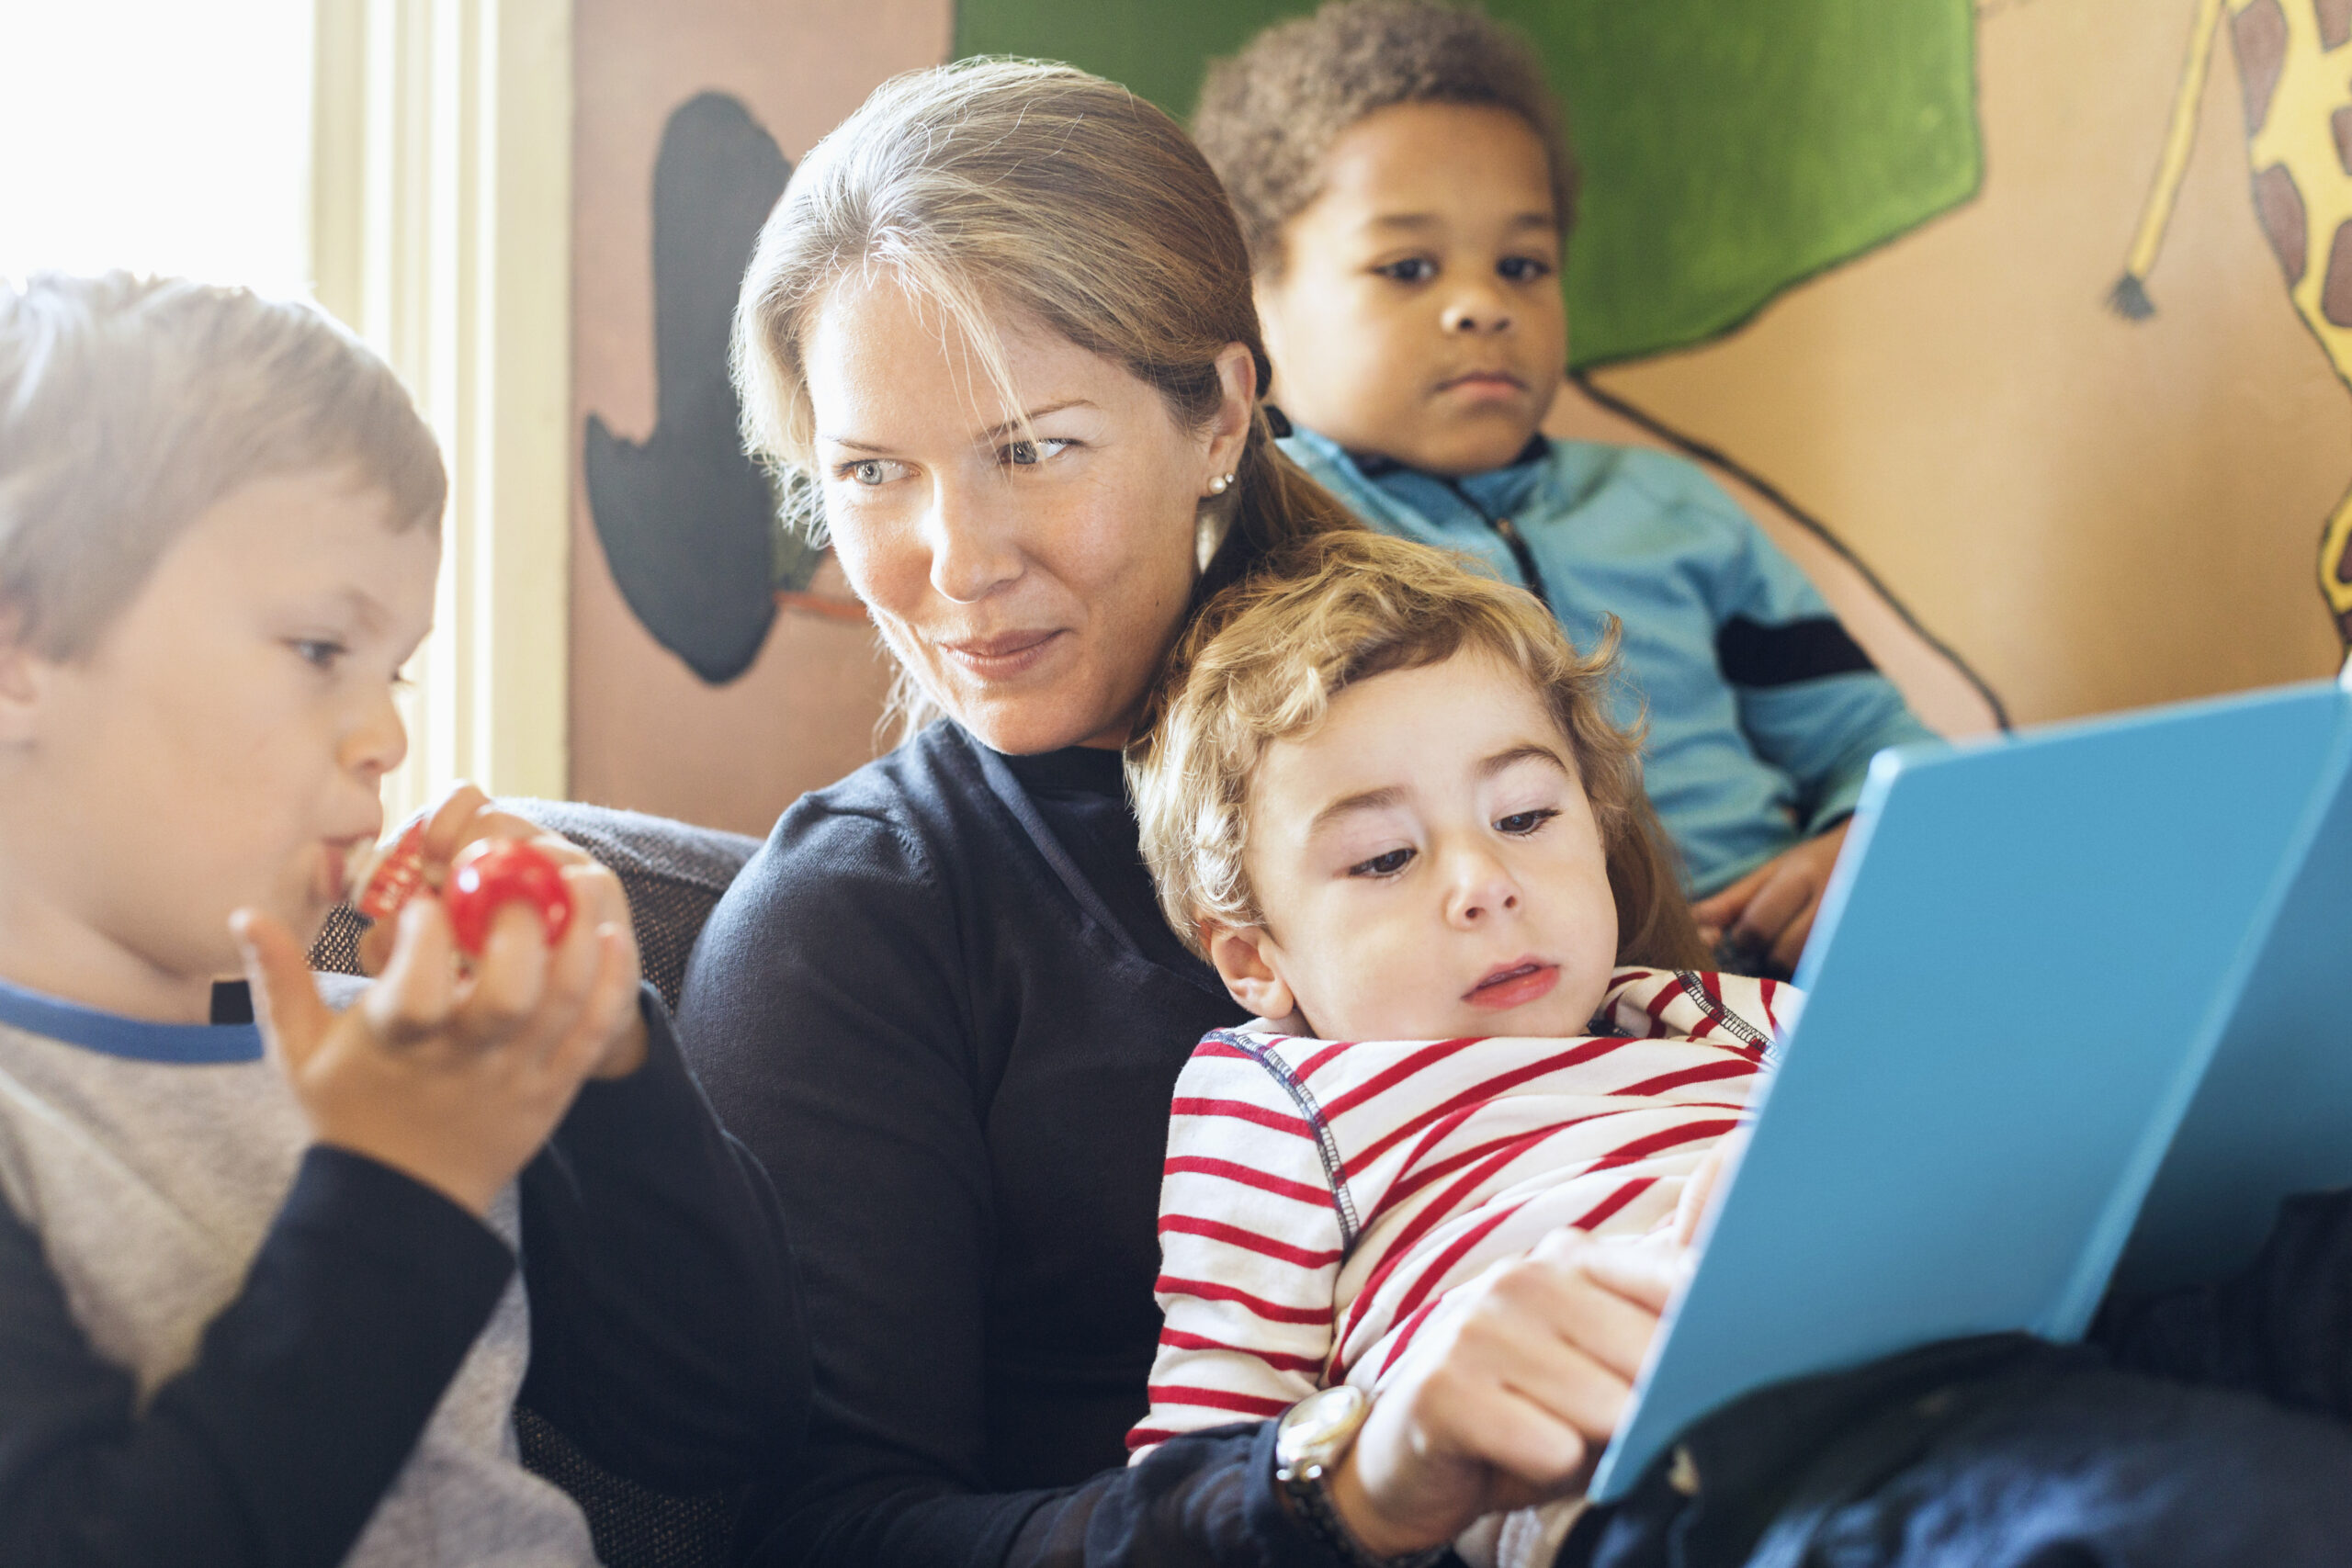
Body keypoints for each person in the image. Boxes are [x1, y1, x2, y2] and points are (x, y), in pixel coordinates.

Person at [684, 57, 1696, 1568]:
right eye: (874, 474)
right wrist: (1337, 1479)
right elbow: (820, 1535)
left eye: (1034, 448)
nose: (953, 559)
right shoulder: (858, 924)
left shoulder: (1458, 722)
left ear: (1219, 415)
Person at [0, 273, 806, 1566]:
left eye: (398, 670)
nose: (388, 735)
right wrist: (400, 1184)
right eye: (322, 648)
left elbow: (715, 1419)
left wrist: (603, 1058)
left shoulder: (404, 1033)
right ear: (20, 653)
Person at [1190, 0, 1939, 974]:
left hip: (1789, 983)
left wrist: (1857, 844)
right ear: (1254, 305)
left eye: (1522, 264)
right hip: (1499, 1009)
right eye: (1407, 266)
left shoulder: (1675, 509)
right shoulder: (1264, 538)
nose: (1482, 306)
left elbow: (1881, 744)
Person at [1125, 529, 1786, 1568]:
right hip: (1643, 1480)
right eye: (1385, 857)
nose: (1483, 879)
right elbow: (1205, 1457)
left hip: (1930, 1348)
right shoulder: (1287, 1096)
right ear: (1256, 960)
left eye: (1524, 815)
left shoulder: (1706, 1011)